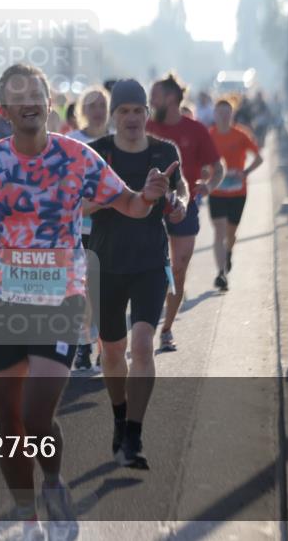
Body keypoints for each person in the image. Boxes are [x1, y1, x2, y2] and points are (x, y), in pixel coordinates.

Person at [0, 63, 175, 538]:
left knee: (36, 417)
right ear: (4, 110)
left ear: (49, 103)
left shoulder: (77, 158)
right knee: (10, 425)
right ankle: (28, 515)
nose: (29, 101)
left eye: (37, 93)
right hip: (0, 306)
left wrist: (150, 196)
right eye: (18, 96)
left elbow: (130, 204)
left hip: (59, 301)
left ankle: (52, 480)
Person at [86, 79, 188, 469]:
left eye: (137, 110)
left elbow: (180, 194)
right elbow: (76, 208)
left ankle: (134, 433)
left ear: (147, 114)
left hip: (149, 262)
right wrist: (117, 198)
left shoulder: (164, 152)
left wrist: (176, 204)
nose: (131, 118)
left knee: (143, 345)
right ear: (113, 116)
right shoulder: (96, 155)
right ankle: (118, 415)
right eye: (123, 111)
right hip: (106, 263)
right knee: (112, 352)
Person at [147, 72, 225, 351]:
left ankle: (166, 328)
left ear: (170, 98)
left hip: (184, 204)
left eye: (154, 95)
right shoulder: (144, 127)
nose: (150, 100)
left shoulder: (195, 130)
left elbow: (219, 167)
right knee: (149, 269)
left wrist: (209, 186)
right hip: (147, 207)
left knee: (178, 268)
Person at [65, 85, 111, 371]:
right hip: (79, 227)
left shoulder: (117, 141)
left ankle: (105, 348)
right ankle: (83, 346)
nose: (97, 110)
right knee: (83, 290)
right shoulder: (72, 141)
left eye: (102, 105)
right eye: (92, 105)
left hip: (111, 228)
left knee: (105, 292)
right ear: (83, 110)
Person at [209, 97, 263, 291]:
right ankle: (221, 273)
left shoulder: (241, 134)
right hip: (216, 190)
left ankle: (229, 252)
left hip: (238, 191)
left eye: (227, 112)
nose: (223, 116)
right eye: (220, 112)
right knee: (219, 232)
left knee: (230, 234)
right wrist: (207, 174)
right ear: (214, 114)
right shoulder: (209, 135)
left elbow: (259, 157)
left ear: (232, 114)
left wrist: (246, 172)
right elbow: (201, 162)